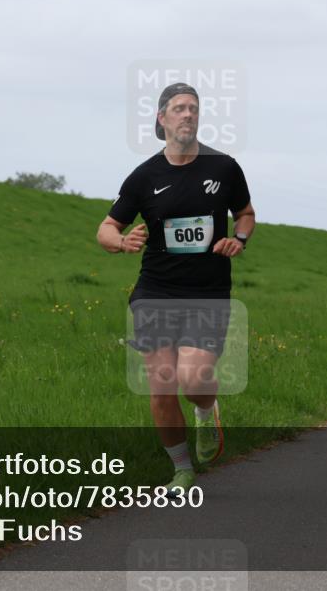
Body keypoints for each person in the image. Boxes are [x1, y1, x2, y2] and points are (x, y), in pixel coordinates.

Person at [96, 83, 255, 495]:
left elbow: (246, 214)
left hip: (207, 291)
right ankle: (181, 470)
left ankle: (206, 411)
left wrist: (239, 239)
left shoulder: (224, 168)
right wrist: (121, 241)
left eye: (194, 109)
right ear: (161, 119)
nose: (188, 115)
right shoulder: (145, 176)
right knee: (162, 385)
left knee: (194, 378)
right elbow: (106, 228)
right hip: (156, 290)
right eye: (179, 109)